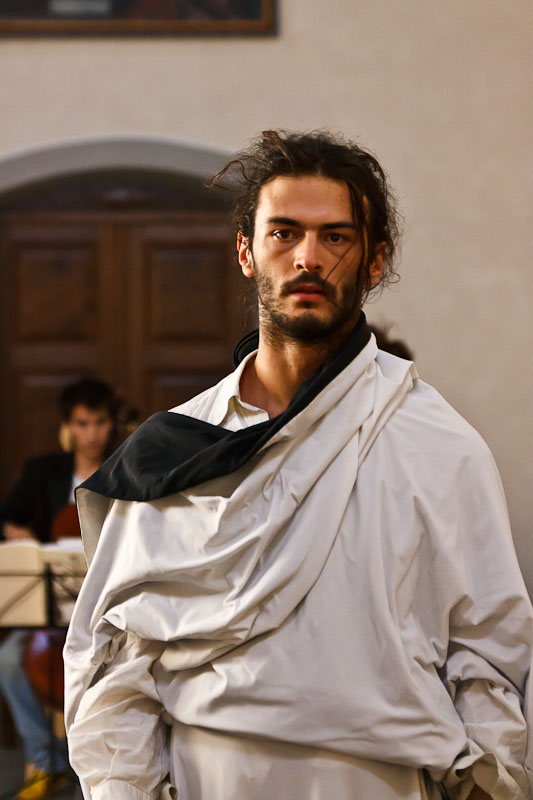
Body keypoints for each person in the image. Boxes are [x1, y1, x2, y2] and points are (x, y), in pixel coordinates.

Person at [65, 131, 532, 800]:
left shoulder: (438, 447)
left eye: (335, 237)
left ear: (375, 262)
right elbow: (116, 663)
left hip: (382, 783)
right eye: (283, 233)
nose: (308, 257)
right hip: (207, 782)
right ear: (246, 252)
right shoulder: (173, 452)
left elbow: (490, 655)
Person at [0, 378, 117, 800]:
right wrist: (14, 532)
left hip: (108, 609)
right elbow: (7, 517)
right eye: (82, 424)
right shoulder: (44, 471)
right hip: (52, 612)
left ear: (111, 423)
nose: (92, 434)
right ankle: (48, 759)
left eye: (100, 423)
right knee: (8, 661)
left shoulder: (124, 470)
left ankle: (99, 766)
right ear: (68, 426)